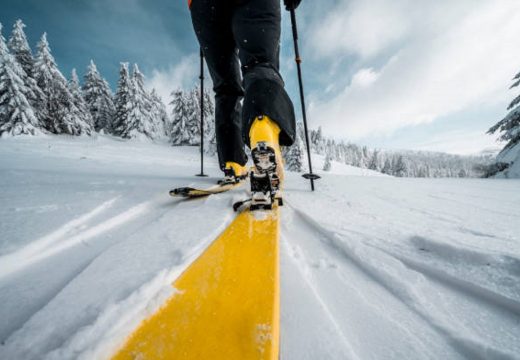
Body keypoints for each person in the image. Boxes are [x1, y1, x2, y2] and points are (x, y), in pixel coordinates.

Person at [189, 0, 302, 208]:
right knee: (259, 64)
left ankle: (233, 163)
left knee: (226, 87)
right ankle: (263, 133)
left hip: (205, 7)